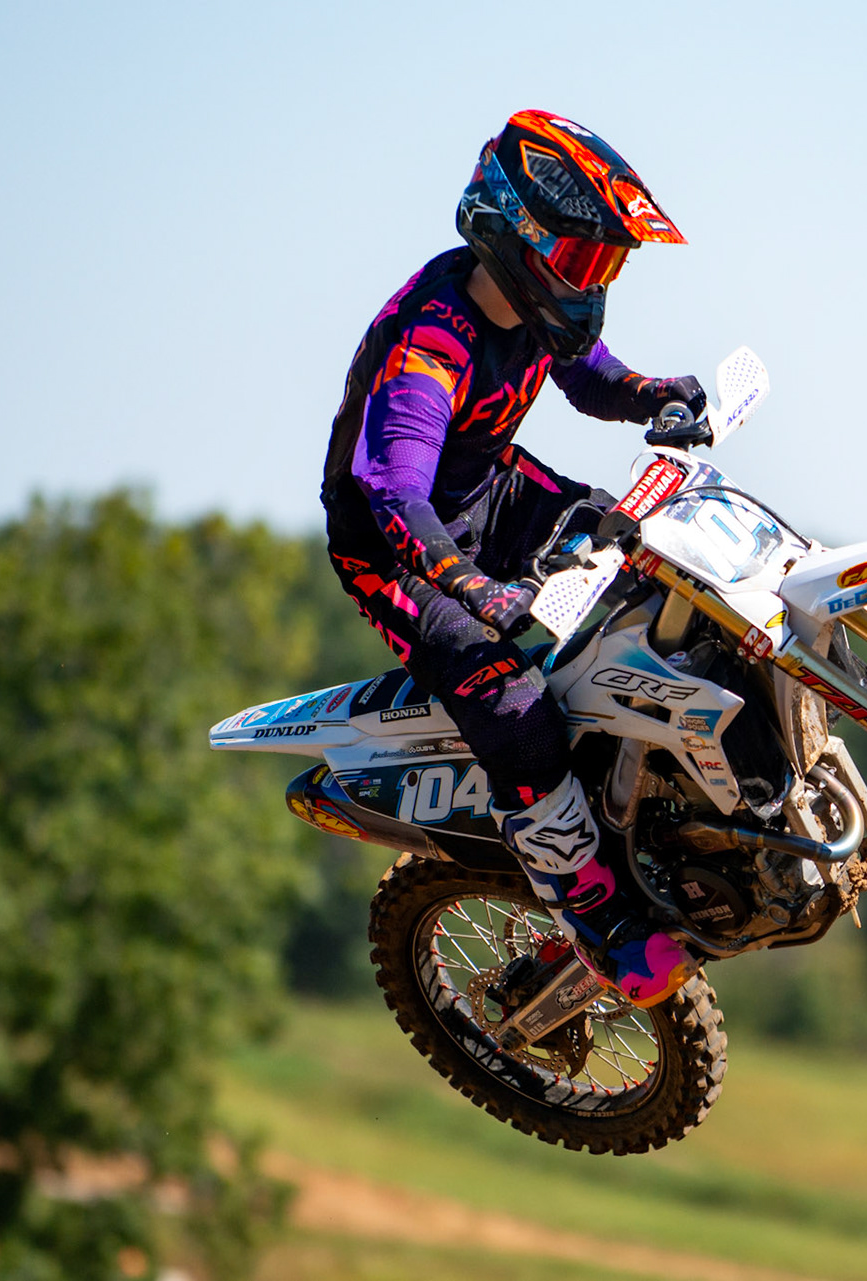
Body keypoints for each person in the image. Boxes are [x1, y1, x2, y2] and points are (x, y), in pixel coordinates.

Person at [320, 110, 707, 1007]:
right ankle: (590, 907)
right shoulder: (435, 337)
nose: (592, 282)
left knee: (648, 544)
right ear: (516, 236)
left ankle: (645, 783)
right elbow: (396, 496)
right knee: (509, 696)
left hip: (488, 489)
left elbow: (592, 376)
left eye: (604, 266)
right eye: (580, 259)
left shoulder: (535, 309)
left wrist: (658, 394)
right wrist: (473, 589)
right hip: (394, 549)